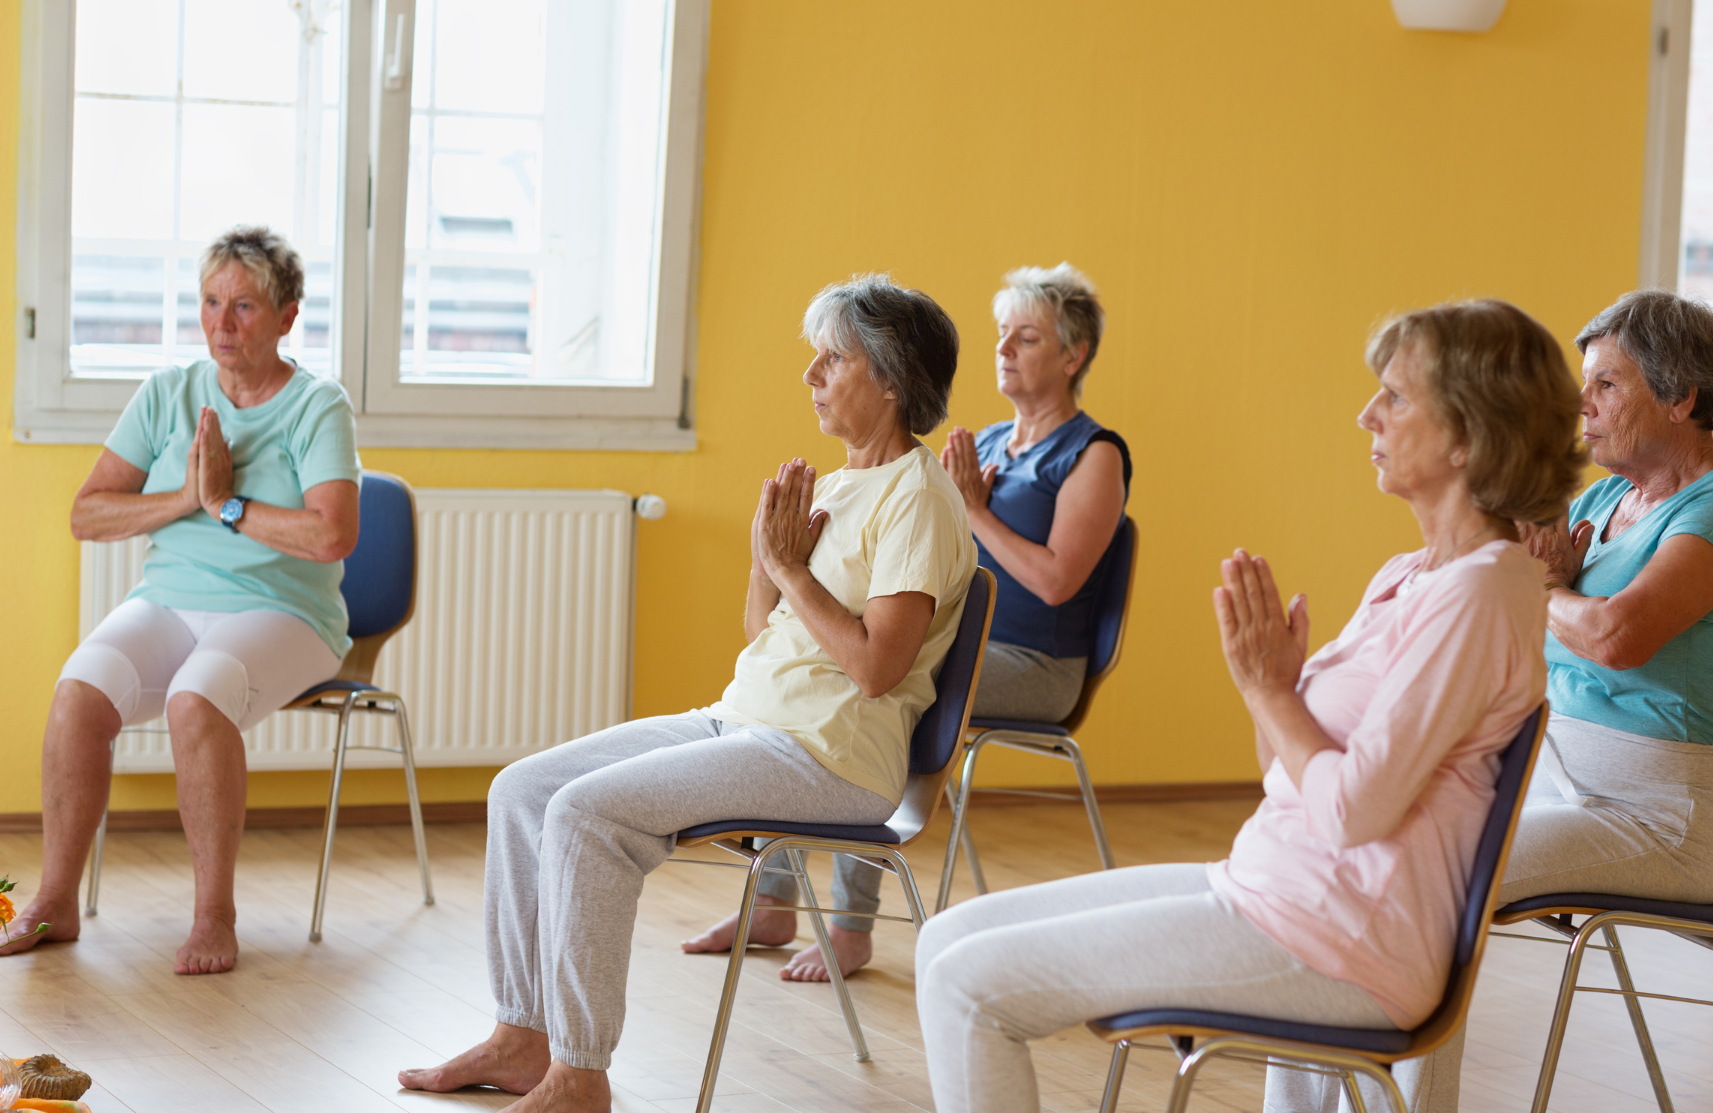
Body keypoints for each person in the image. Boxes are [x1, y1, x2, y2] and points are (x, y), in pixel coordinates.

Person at [912, 299, 1586, 1113]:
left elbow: (1350, 811)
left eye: (1396, 397)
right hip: (1275, 886)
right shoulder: (1410, 574)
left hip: (1340, 937)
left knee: (967, 986)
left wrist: (1271, 690)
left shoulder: (1481, 591)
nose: (1366, 412)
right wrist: (1270, 690)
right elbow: (1286, 777)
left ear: (1470, 435)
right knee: (946, 939)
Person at [397, 274, 976, 1113]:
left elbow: (875, 668)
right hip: (746, 720)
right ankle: (523, 1035)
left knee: (587, 815)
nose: (811, 374)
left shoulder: (918, 499)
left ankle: (580, 1072)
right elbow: (762, 631)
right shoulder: (840, 483)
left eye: (833, 358)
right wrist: (763, 558)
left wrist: (785, 568)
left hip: (832, 755)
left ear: (890, 379)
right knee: (521, 789)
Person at [1315, 289, 1713, 1113]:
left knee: (1433, 883)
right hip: (1550, 779)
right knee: (1352, 856)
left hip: (1657, 812)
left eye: (1607, 384)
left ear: (1681, 396)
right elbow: (1498, 583)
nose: (1582, 404)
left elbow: (1613, 636)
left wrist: (1546, 588)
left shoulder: (1705, 508)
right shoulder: (1600, 503)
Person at [683, 262, 1131, 982]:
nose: (1004, 350)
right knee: (819, 679)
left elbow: (1056, 582)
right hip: (949, 641)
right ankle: (774, 898)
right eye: (1000, 337)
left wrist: (976, 509)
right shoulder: (979, 446)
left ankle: (851, 927)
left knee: (867, 692)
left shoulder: (1092, 455)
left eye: (1026, 338)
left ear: (1073, 356)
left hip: (1033, 662)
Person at [1, 227, 361, 975]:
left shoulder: (318, 406)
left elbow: (331, 536)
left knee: (195, 700)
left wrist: (227, 504)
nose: (222, 325)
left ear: (289, 315)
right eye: (209, 302)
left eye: (245, 307)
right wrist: (185, 499)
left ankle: (212, 916)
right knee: (77, 693)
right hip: (169, 598)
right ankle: (56, 900)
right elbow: (86, 514)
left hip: (287, 612)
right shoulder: (167, 392)